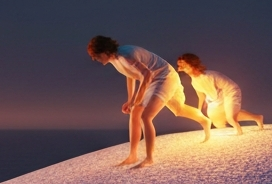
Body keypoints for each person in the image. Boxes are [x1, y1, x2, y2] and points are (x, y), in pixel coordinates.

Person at [88, 36, 211, 167]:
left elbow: (147, 74)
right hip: (152, 79)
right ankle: (133, 156)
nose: (95, 59)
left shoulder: (125, 55)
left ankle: (149, 158)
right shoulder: (115, 59)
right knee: (172, 110)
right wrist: (131, 100)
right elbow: (130, 75)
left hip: (164, 76)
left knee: (146, 116)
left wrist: (137, 99)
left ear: (105, 50)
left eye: (97, 55)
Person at [175, 54, 265, 135]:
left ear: (193, 65)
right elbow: (201, 96)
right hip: (216, 98)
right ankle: (257, 117)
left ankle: (239, 133)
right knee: (218, 121)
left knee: (230, 118)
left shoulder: (210, 75)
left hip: (230, 91)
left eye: (185, 65)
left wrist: (226, 104)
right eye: (181, 66)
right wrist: (199, 110)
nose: (182, 68)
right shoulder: (194, 82)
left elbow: (227, 87)